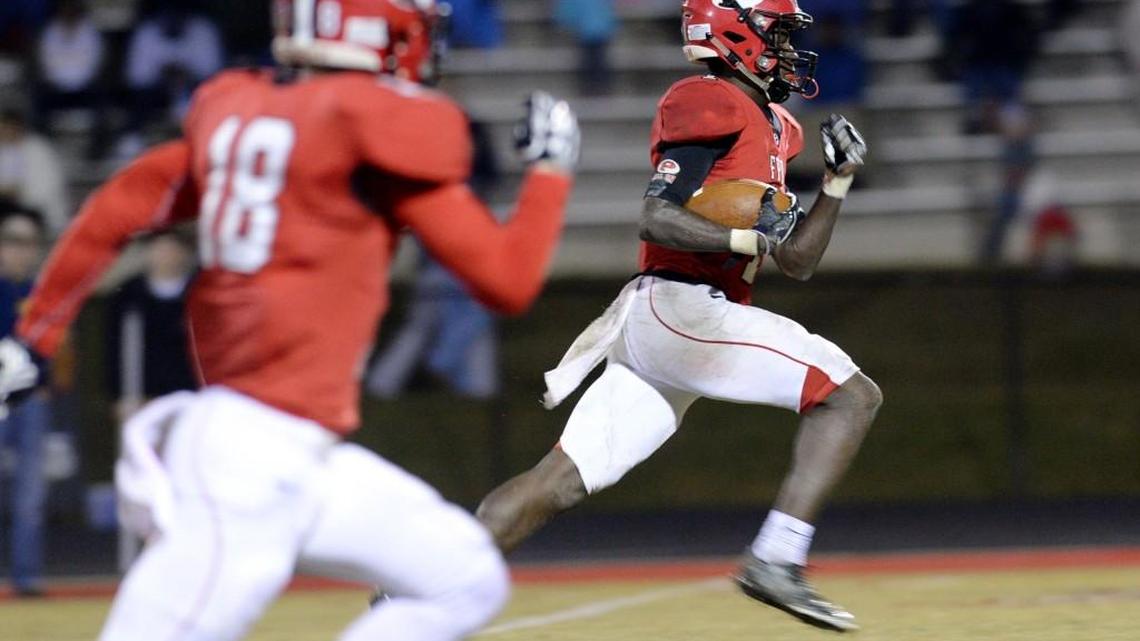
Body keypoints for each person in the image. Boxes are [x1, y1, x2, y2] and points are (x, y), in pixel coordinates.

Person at [0, 1, 580, 640]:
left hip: (292, 451)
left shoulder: (239, 112)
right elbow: (508, 279)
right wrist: (549, 172)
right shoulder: (371, 125)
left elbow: (118, 205)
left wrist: (36, 339)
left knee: (465, 577)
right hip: (249, 460)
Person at [475, 0, 880, 633]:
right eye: (775, 32)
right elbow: (656, 215)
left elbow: (798, 260)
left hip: (679, 322)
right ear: (735, 32)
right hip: (680, 306)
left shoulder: (777, 127)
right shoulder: (708, 98)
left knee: (558, 482)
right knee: (850, 395)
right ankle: (777, 557)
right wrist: (748, 240)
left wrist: (836, 183)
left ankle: (410, 602)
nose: (785, 47)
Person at [0, 207, 50, 598]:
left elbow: (56, 347)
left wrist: (48, 383)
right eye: (11, 241)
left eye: (27, 243)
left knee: (30, 497)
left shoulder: (43, 293)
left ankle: (26, 579)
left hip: (32, 400)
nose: (19, 251)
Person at [105, 230, 197, 423]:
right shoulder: (129, 295)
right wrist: (119, 395)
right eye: (160, 247)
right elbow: (114, 349)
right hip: (142, 394)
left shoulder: (200, 291)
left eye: (173, 248)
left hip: (191, 395)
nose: (166, 255)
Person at [0, 108, 69, 236]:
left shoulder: (39, 150)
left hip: (36, 211)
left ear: (17, 127)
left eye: (6, 127)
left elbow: (47, 190)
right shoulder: (3, 151)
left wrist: (18, 192)